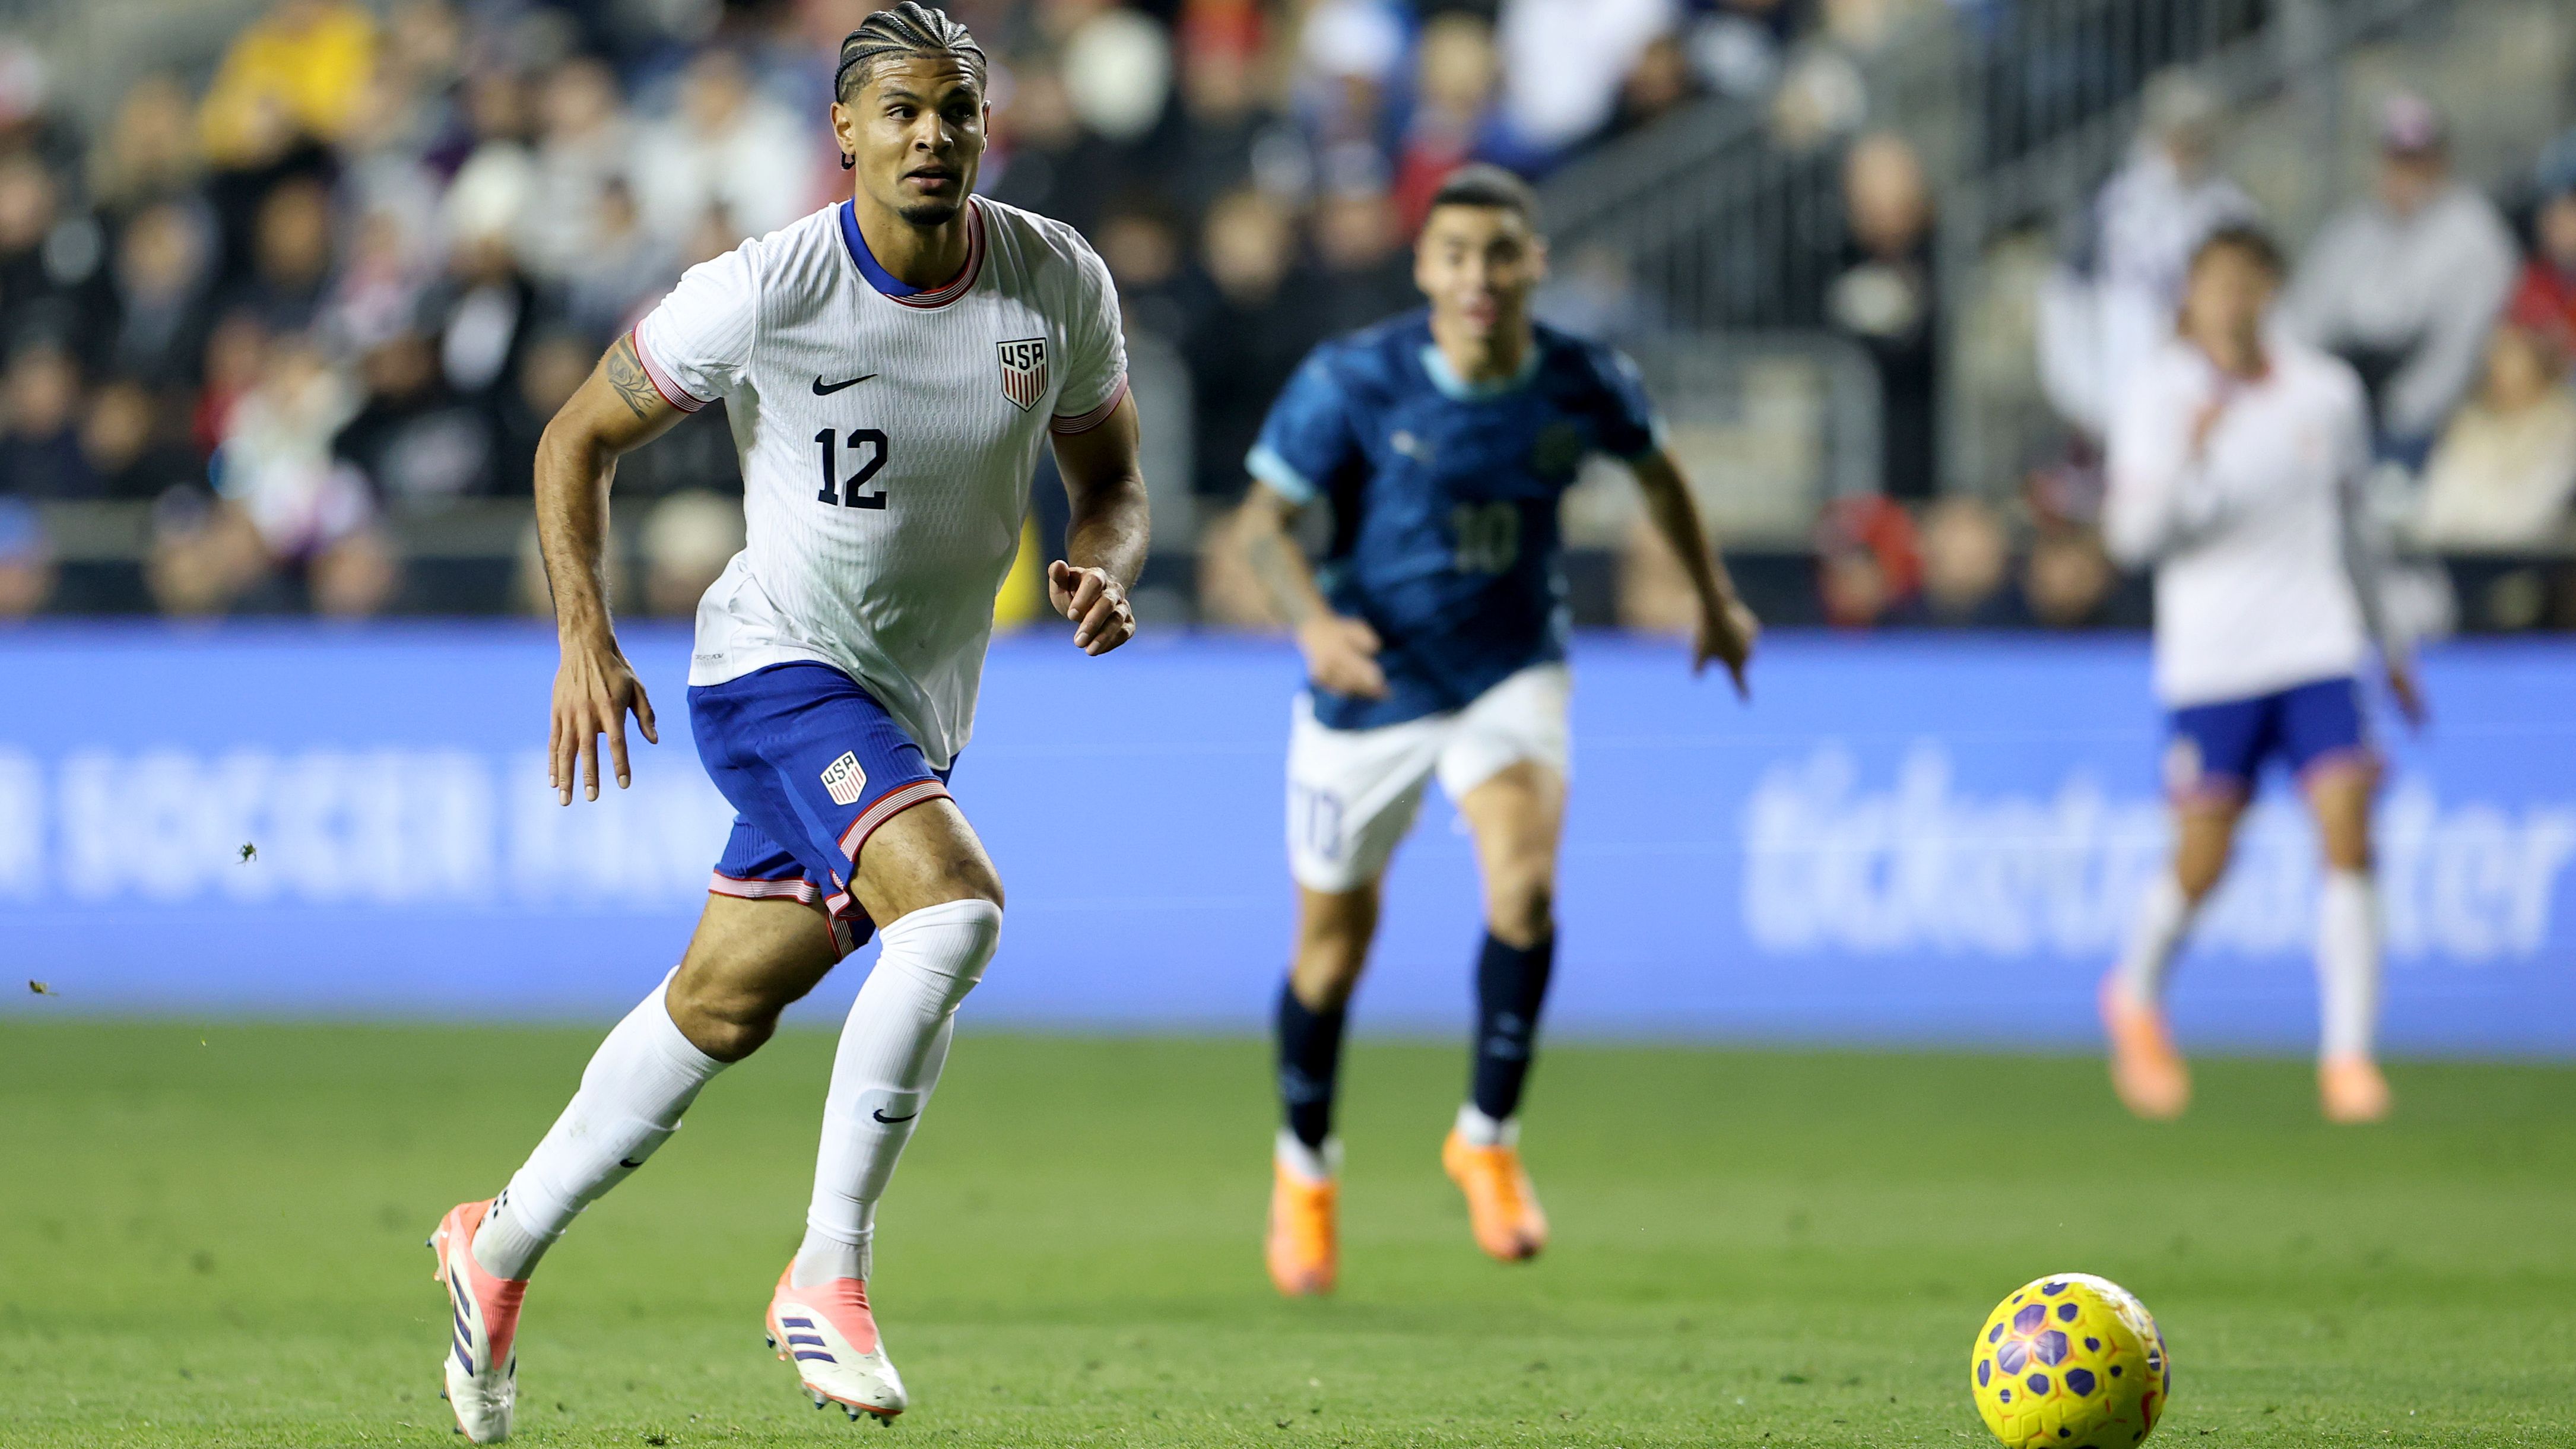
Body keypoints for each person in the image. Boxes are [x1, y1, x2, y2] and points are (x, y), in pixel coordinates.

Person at [426, 8, 1150, 1440]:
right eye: (900, 112)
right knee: (952, 915)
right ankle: (830, 1269)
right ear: (845, 130)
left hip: (914, 706)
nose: (931, 136)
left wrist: (1106, 562)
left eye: (955, 110)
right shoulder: (765, 286)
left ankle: (492, 1243)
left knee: (720, 1004)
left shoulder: (1058, 281)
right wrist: (586, 632)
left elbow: (1112, 481)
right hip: (773, 672)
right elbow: (576, 434)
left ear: (985, 125)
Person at [1233, 164, 1757, 1296]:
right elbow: (1261, 525)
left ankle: (1486, 1136)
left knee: (1522, 887)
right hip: (1369, 680)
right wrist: (1315, 627)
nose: (1480, 276)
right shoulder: (1355, 380)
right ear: (1426, 268)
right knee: (1331, 954)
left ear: (1535, 265)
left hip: (1510, 668)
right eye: (1457, 255)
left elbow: (1661, 477)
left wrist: (1713, 602)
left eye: (1501, 255)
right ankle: (1305, 1172)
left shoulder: (1578, 380)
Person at [2101, 224, 2423, 1128]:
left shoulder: (2324, 392)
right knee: (2204, 863)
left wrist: (2390, 644)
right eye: (2217, 285)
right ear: (2191, 296)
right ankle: (2135, 995)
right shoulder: (2159, 394)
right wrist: (2192, 458)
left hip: (2318, 645)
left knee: (2350, 833)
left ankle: (2349, 1060)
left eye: (2249, 284)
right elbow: (2132, 541)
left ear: (2271, 291)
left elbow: (2358, 526)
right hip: (2212, 659)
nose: (2234, 302)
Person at [2280, 94, 2516, 467]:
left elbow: (2461, 346)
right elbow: (2304, 319)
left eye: (2417, 159)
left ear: (2441, 159)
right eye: (2396, 157)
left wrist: (2401, 417)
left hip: (2416, 421)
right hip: (2343, 401)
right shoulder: (2355, 227)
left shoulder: (2473, 234)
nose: (2406, 172)